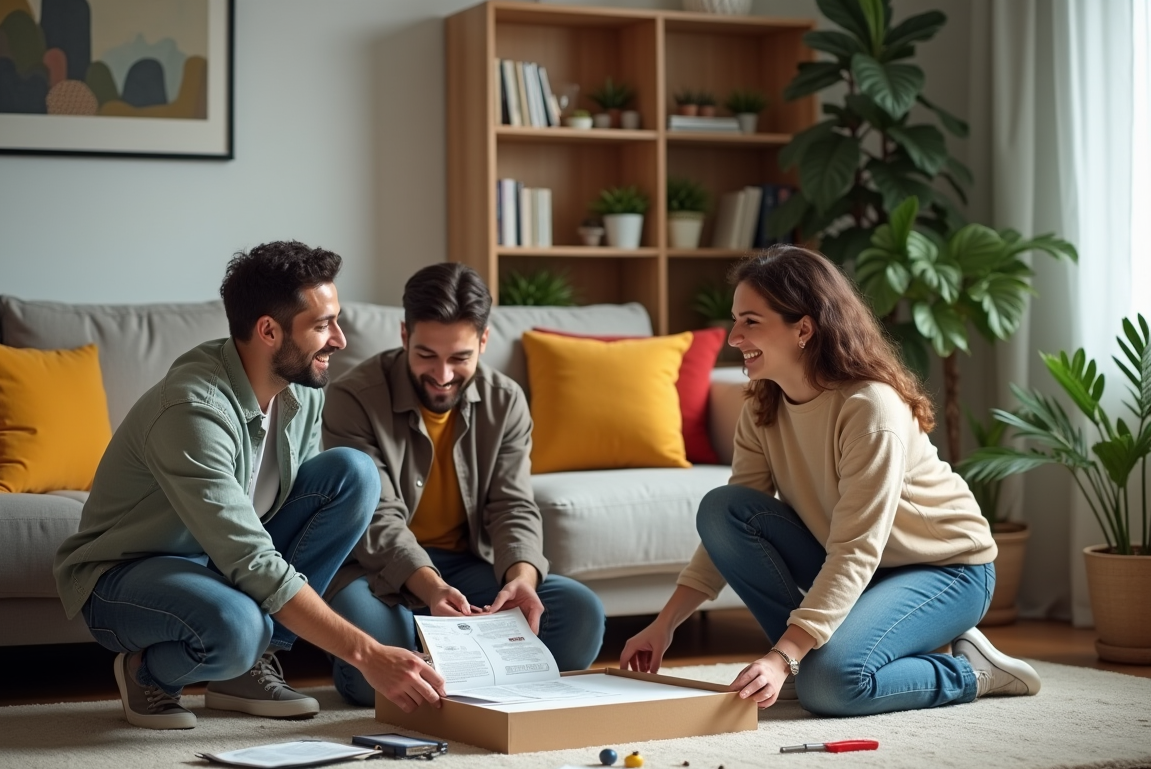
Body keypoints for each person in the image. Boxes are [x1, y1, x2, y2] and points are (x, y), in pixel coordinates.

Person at [620, 245, 1041, 717]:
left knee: (832, 686)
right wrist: (665, 624)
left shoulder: (869, 408)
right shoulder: (762, 405)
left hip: (947, 569)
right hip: (867, 570)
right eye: (735, 319)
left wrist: (784, 657)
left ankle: (970, 669)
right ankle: (812, 659)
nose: (734, 336)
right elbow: (730, 529)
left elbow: (856, 549)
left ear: (803, 328)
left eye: (751, 321)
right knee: (723, 507)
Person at [54, 241, 445, 730]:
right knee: (238, 628)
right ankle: (148, 673)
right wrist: (367, 654)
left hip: (215, 564)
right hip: (127, 575)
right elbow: (251, 558)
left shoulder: (302, 388)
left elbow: (279, 532)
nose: (340, 339)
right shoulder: (192, 410)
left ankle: (248, 668)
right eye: (323, 325)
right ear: (268, 330)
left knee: (354, 473)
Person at [321, 261, 606, 706]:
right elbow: (378, 518)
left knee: (579, 615)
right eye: (426, 355)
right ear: (404, 336)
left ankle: (444, 659)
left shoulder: (506, 400)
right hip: (376, 572)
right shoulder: (352, 397)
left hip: (467, 568)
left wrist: (521, 579)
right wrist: (432, 590)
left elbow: (512, 505)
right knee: (367, 684)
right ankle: (441, 655)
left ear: (484, 341)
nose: (443, 375)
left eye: (460, 357)